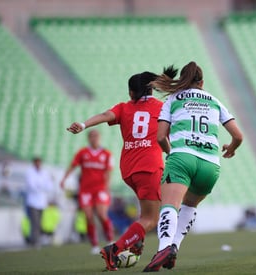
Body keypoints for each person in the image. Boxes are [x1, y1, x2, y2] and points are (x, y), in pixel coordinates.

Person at [66, 67, 177, 271]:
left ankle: (136, 242)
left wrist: (83, 124)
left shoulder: (124, 107)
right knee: (151, 219)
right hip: (149, 168)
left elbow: (105, 115)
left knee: (145, 214)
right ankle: (115, 249)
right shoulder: (160, 107)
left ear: (132, 93)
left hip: (129, 170)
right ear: (150, 90)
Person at [143, 61, 243, 272]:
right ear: (202, 82)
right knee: (189, 206)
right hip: (210, 165)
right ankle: (174, 248)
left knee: (170, 205)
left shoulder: (172, 99)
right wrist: (231, 148)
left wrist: (172, 153)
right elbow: (238, 136)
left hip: (182, 158)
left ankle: (163, 248)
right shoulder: (215, 101)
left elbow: (161, 137)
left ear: (183, 80)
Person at [60, 130, 114, 254]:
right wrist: (64, 178)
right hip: (86, 190)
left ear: (100, 137)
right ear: (88, 138)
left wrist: (107, 188)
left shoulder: (106, 154)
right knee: (89, 217)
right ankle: (94, 245)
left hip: (100, 189)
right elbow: (73, 165)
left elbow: (109, 172)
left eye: (96, 136)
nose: (94, 138)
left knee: (101, 214)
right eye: (91, 136)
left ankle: (110, 240)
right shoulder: (82, 153)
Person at [25, 157, 54, 247]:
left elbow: (49, 185)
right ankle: (35, 241)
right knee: (35, 222)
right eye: (36, 162)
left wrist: (40, 186)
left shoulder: (44, 172)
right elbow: (32, 186)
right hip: (32, 202)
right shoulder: (30, 172)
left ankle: (35, 240)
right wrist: (42, 187)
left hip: (41, 202)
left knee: (39, 222)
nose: (38, 164)